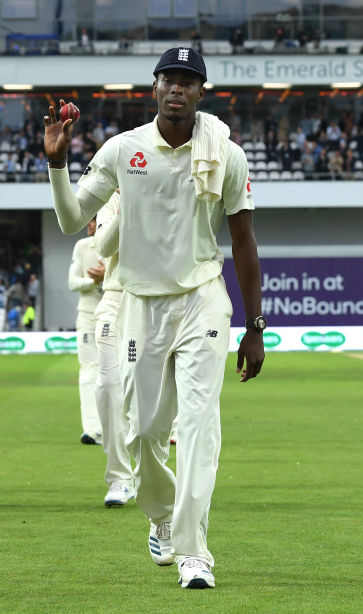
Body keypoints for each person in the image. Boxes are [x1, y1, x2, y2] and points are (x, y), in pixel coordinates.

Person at [43, 47, 264, 589]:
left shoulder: (225, 154)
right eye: (170, 79)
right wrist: (56, 163)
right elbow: (73, 220)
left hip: (202, 299)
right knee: (144, 432)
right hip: (141, 303)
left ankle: (195, 552)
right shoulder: (124, 150)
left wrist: (255, 328)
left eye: (189, 82)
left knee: (197, 428)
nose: (177, 89)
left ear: (201, 92)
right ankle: (162, 516)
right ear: (156, 86)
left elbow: (243, 242)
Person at [92, 190, 135, 507]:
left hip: (158, 298)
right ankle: (119, 477)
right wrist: (131, 204)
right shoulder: (114, 198)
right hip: (115, 297)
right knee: (108, 385)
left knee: (150, 392)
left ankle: (149, 472)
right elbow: (104, 245)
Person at [68, 217, 105, 445]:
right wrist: (94, 282)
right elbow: (72, 283)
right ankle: (92, 429)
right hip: (88, 315)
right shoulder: (82, 246)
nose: (87, 225)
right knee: (89, 370)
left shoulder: (120, 242)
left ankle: (114, 426)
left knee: (116, 372)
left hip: (116, 313)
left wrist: (106, 277)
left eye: (92, 221)